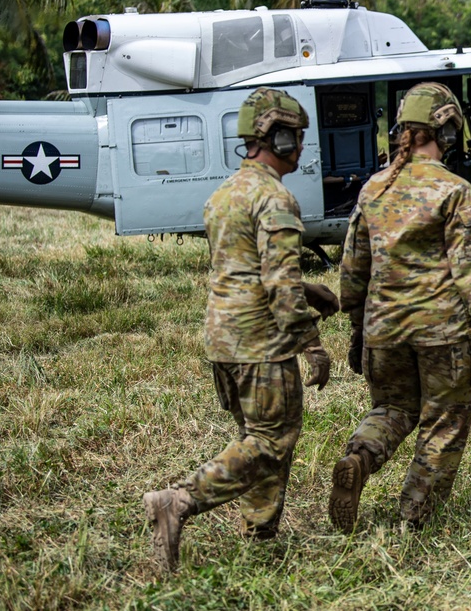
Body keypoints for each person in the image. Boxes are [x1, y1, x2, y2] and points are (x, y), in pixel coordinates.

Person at [142, 87, 340, 572]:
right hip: (261, 344)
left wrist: (308, 287)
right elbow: (276, 283)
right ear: (278, 137)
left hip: (222, 340)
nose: (300, 146)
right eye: (295, 136)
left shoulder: (223, 194)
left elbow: (242, 267)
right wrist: (312, 343)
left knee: (259, 440)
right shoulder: (276, 198)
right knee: (272, 441)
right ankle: (178, 501)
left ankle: (260, 534)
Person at [331, 82, 471, 531]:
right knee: (443, 422)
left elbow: (353, 270)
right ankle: (414, 519)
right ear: (446, 130)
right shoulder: (453, 190)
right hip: (443, 335)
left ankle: (359, 458)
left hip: (383, 330)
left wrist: (357, 330)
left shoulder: (373, 189)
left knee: (393, 409)